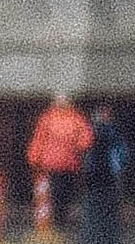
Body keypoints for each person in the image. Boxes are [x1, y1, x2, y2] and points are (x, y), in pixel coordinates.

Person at [27, 87, 94, 223]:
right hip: (67, 162)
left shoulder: (49, 118)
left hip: (54, 161)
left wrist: (34, 157)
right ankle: (59, 216)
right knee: (62, 190)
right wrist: (77, 147)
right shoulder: (76, 118)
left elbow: (39, 139)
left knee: (56, 190)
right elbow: (86, 139)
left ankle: (55, 216)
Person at [77, 100, 129, 244]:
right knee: (110, 218)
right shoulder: (115, 135)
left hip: (93, 180)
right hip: (110, 179)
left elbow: (84, 156)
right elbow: (123, 157)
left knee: (92, 216)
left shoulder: (90, 134)